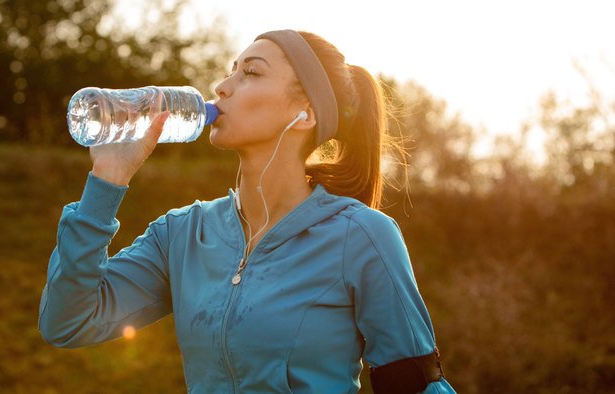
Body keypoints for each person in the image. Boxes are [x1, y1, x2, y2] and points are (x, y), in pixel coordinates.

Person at [39, 29, 455, 394]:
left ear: (305, 112)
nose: (221, 86)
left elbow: (416, 384)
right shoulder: (183, 234)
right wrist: (107, 179)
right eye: (229, 71)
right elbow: (68, 321)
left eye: (250, 73)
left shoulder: (360, 235)